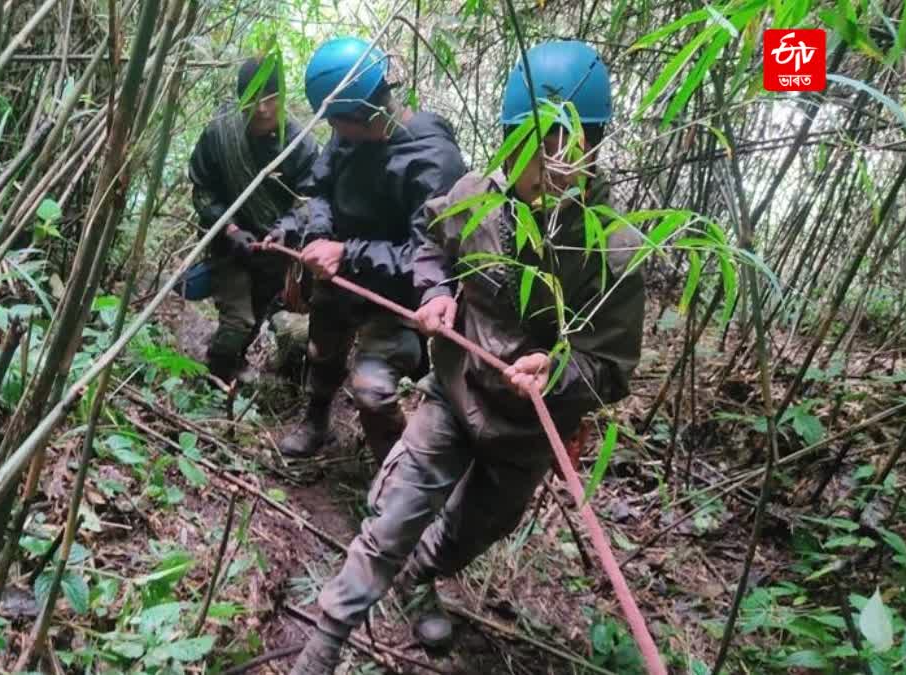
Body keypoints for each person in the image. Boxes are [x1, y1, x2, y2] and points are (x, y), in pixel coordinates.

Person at [290, 41, 646, 674]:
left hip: (529, 431)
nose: (551, 164)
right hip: (453, 397)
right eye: (534, 142)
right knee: (392, 521)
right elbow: (430, 238)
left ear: (595, 144)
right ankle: (321, 649)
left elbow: (612, 366)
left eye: (570, 145)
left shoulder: (616, 250)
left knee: (471, 530)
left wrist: (557, 371)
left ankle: (421, 579)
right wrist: (438, 294)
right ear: (510, 139)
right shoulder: (474, 195)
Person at [266, 36, 467, 462]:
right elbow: (317, 189)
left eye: (336, 123)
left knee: (372, 392)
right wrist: (319, 236)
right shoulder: (347, 137)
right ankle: (316, 422)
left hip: (394, 300)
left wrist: (347, 253)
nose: (333, 133)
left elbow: (428, 257)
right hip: (337, 284)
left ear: (362, 114)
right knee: (323, 352)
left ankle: (396, 474)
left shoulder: (433, 161)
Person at [188, 57, 320, 384]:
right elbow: (202, 190)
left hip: (274, 251)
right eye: (253, 97)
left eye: (271, 96)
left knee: (258, 315)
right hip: (227, 245)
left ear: (284, 96)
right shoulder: (220, 134)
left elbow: (309, 200)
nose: (262, 108)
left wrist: (284, 229)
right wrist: (229, 227)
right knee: (239, 321)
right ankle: (213, 382)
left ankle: (231, 363)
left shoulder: (299, 143)